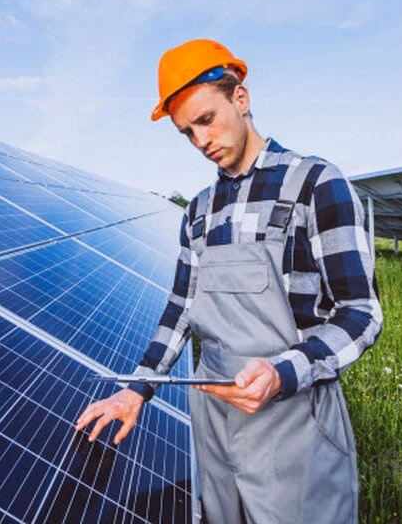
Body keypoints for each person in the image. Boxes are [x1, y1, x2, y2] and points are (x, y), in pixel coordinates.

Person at [75, 39, 383, 523]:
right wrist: (136, 389)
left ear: (240, 98)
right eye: (186, 133)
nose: (201, 141)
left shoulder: (317, 185)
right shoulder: (198, 211)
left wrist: (284, 371)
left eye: (206, 120)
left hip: (294, 423)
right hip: (215, 424)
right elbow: (181, 308)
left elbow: (361, 314)